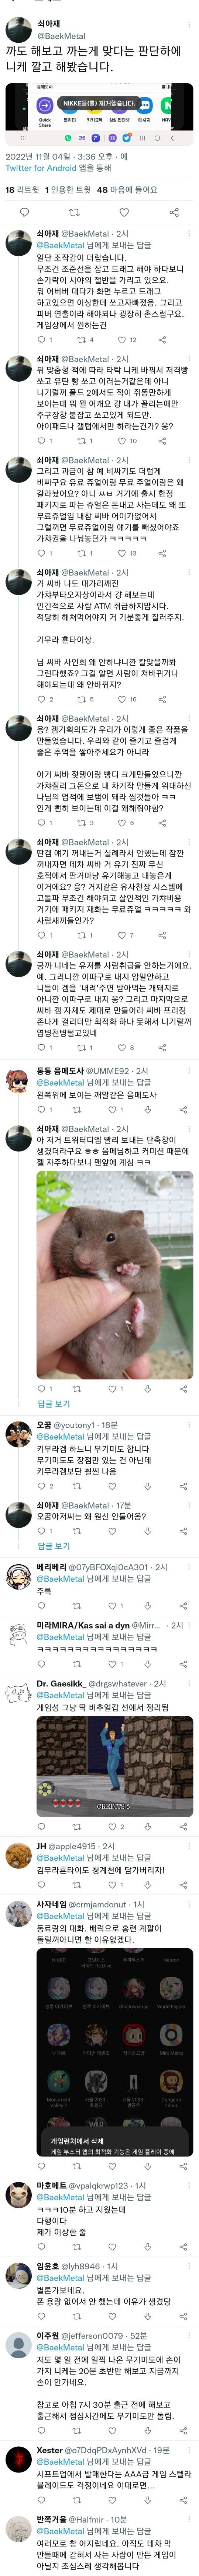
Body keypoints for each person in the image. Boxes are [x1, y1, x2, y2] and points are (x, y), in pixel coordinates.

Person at [37, 1214, 161, 1378]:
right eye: (80, 1236)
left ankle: (141, 1327)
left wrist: (133, 1274)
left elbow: (149, 1282)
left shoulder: (141, 1255)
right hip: (83, 1342)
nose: (85, 1259)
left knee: (149, 1306)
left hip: (123, 1341)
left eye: (110, 1238)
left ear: (135, 1223)